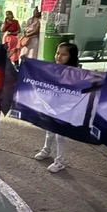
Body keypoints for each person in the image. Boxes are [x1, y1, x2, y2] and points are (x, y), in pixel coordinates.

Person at [34, 42, 79, 172]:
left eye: (64, 54)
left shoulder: (76, 74)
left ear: (71, 56)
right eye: (58, 53)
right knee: (49, 131)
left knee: (60, 136)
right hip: (52, 106)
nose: (59, 56)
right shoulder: (53, 69)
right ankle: (46, 150)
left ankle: (59, 162)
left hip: (66, 109)